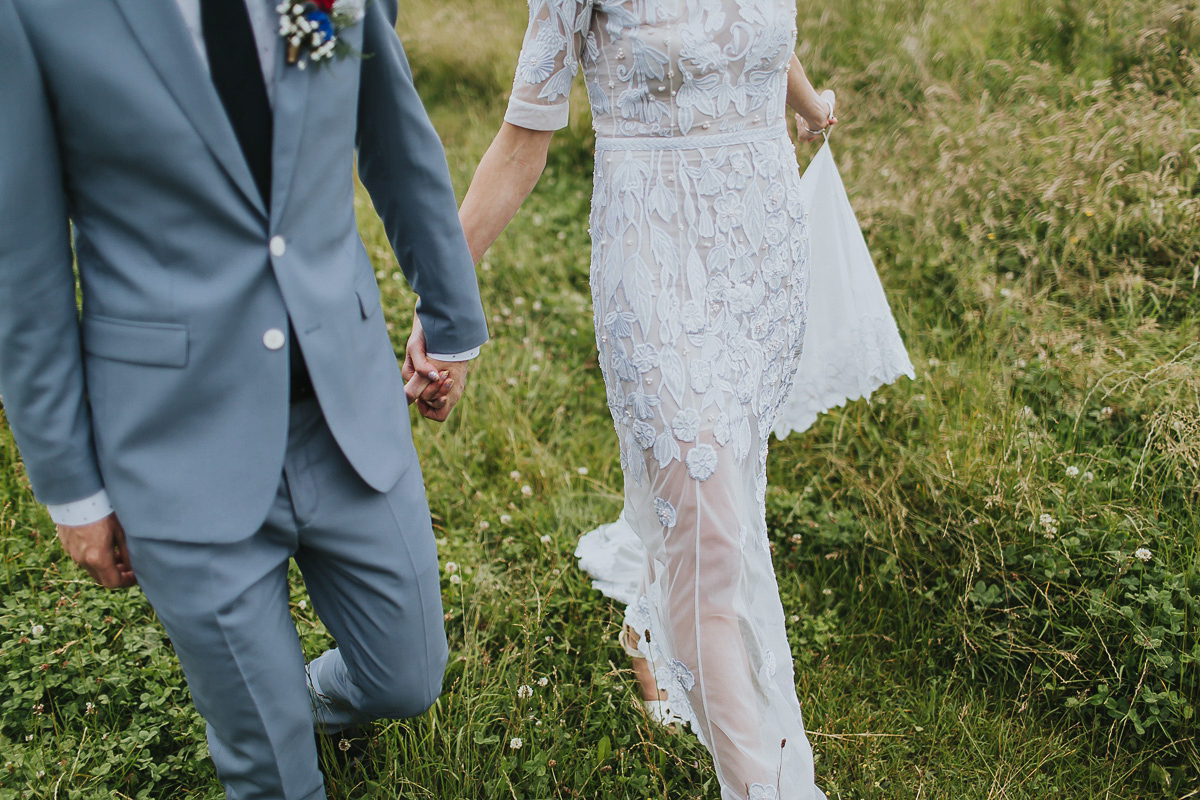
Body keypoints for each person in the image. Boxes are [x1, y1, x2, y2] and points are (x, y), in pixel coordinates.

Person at [0, 1, 487, 798]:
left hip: (345, 408)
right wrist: (70, 485)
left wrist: (452, 320)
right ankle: (269, 726)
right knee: (269, 764)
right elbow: (24, 266)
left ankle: (297, 700)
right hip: (174, 437)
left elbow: (394, 136)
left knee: (410, 676)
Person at [459, 1, 837, 797]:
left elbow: (753, 29)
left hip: (760, 252)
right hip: (659, 259)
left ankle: (648, 609)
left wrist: (806, 102)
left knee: (716, 498)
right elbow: (523, 138)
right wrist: (443, 306)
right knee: (705, 517)